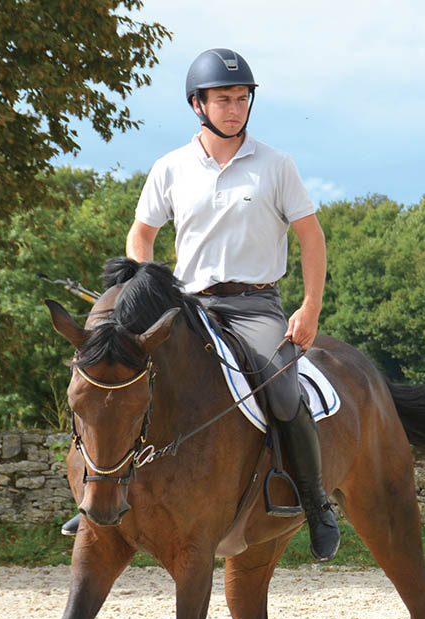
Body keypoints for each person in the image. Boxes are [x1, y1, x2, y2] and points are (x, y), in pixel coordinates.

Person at [62, 47, 339, 562]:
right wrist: (139, 298)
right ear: (198, 105)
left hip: (254, 306)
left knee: (281, 393)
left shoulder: (276, 165)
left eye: (241, 98)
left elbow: (311, 238)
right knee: (119, 384)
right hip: (189, 307)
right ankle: (96, 497)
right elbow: (140, 234)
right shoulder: (171, 167)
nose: (234, 108)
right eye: (222, 99)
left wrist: (311, 308)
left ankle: (316, 501)